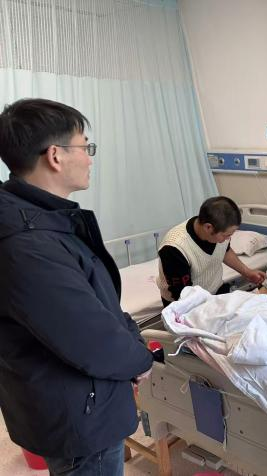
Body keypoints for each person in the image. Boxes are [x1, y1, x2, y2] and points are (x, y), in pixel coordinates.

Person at [0, 98, 156, 476]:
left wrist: (132, 338)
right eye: (86, 147)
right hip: (80, 416)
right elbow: (90, 337)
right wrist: (140, 360)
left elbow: (97, 300)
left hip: (79, 401)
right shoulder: (27, 243)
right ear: (55, 156)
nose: (90, 158)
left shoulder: (46, 219)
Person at [156, 196, 266, 306]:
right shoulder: (174, 248)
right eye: (226, 235)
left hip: (214, 291)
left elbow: (225, 251)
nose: (227, 239)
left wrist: (248, 273)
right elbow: (182, 295)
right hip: (186, 303)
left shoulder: (216, 231)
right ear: (208, 227)